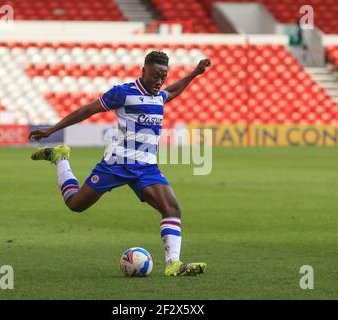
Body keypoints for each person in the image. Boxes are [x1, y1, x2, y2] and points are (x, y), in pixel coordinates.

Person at [29, 51, 211, 276]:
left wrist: (194, 73)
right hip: (116, 163)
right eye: (154, 75)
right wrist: (52, 130)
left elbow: (172, 90)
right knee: (75, 204)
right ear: (143, 71)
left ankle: (173, 263)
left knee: (172, 209)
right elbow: (87, 110)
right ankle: (60, 158)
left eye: (163, 76)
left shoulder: (159, 95)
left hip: (146, 168)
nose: (159, 81)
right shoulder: (123, 93)